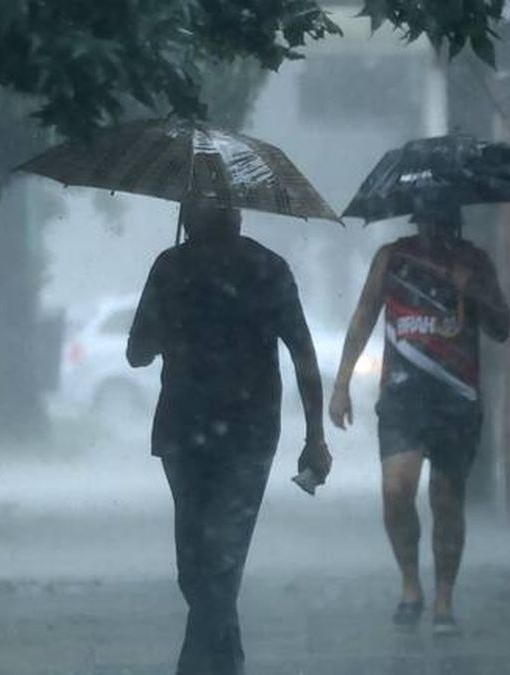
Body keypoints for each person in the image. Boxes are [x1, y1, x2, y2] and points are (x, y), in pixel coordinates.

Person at [127, 198, 332, 675]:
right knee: (208, 563)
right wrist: (314, 436)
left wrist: (316, 436)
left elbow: (138, 353)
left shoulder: (190, 267)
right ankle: (227, 661)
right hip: (221, 433)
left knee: (207, 560)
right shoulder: (245, 268)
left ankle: (197, 666)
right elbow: (139, 351)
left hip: (219, 434)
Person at [329, 203, 510, 636]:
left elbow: (502, 327)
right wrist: (342, 384)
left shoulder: (475, 261)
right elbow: (364, 315)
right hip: (402, 396)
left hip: (456, 397)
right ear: (418, 220)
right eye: (429, 222)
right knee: (396, 490)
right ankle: (410, 584)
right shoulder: (392, 258)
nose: (436, 231)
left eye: (443, 223)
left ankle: (444, 599)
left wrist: (474, 291)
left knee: (447, 500)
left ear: (455, 223)